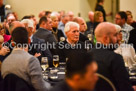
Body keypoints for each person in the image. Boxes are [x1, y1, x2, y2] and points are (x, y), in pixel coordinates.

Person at [90, 22, 134, 91]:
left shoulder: (86, 56)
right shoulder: (115, 59)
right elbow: (126, 88)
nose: (117, 38)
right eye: (115, 35)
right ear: (106, 39)